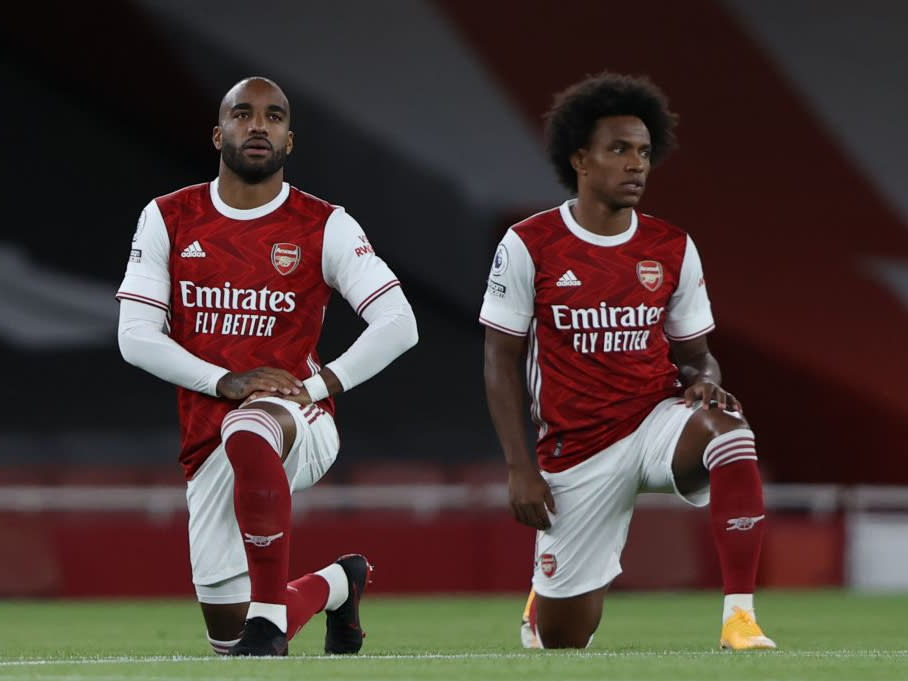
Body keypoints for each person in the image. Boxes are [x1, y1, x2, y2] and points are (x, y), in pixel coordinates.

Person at [116, 76, 418, 656]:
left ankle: (268, 626)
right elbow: (134, 337)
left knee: (250, 425)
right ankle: (337, 584)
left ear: (289, 139)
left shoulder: (324, 224)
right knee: (231, 647)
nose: (259, 125)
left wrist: (321, 383)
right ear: (217, 132)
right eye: (244, 114)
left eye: (274, 116)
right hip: (207, 441)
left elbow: (399, 323)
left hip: (297, 423)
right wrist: (222, 381)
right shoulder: (169, 217)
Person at [480, 71, 775, 651]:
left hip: (654, 421)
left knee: (732, 435)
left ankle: (740, 618)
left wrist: (705, 385)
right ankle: (547, 600)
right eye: (618, 150)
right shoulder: (529, 244)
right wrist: (519, 467)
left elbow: (698, 358)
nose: (636, 164)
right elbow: (499, 359)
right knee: (563, 642)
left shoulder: (671, 247)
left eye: (643, 151)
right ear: (581, 160)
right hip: (576, 448)